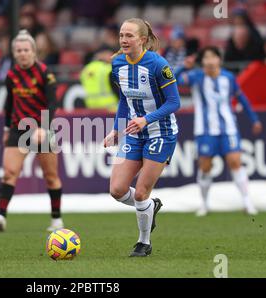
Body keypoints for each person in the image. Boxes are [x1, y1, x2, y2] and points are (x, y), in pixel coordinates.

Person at [103, 18, 181, 257]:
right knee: (116, 190)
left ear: (143, 40)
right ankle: (149, 207)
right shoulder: (117, 64)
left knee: (139, 192)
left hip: (162, 132)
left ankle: (143, 242)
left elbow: (174, 102)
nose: (124, 40)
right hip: (134, 134)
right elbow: (125, 102)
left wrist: (147, 119)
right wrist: (117, 129)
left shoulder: (158, 65)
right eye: (121, 35)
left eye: (129, 36)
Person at [0, 30, 63, 232]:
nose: (22, 53)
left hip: (42, 129)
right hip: (19, 130)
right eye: (19, 50)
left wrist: (44, 128)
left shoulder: (45, 74)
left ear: (34, 52)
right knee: (9, 172)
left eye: (26, 50)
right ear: (14, 53)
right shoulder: (11, 75)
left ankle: (56, 219)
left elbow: (53, 104)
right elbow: (9, 104)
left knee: (50, 175)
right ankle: (0, 216)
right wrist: (6, 128)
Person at [175, 46, 262, 217]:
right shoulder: (196, 76)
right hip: (205, 130)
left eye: (213, 57)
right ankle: (205, 204)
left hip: (228, 128)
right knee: (206, 166)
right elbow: (174, 81)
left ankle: (247, 202)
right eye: (206, 57)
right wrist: (184, 67)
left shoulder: (228, 78)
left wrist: (254, 119)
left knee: (235, 161)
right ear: (203, 61)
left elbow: (241, 98)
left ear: (219, 60)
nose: (210, 61)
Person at [80, 46, 118, 111]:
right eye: (110, 54)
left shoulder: (85, 69)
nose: (113, 57)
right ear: (103, 54)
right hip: (109, 108)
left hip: (91, 107)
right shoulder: (108, 69)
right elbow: (116, 88)